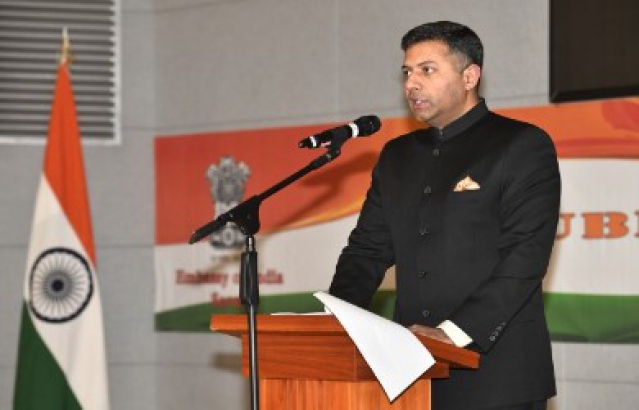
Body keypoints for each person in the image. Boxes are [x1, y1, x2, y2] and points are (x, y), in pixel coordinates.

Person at [329, 21, 560, 410]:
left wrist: (454, 333)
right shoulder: (397, 156)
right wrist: (336, 319)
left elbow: (525, 256)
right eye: (407, 72)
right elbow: (367, 250)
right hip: (409, 370)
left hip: (497, 377)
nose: (411, 84)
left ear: (469, 76)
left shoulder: (521, 144)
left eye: (427, 70)